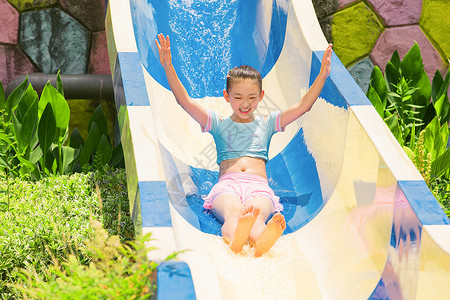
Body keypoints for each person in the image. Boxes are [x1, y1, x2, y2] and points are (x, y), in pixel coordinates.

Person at [156, 33, 332, 257]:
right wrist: (168, 65)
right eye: (238, 97)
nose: (245, 103)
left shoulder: (268, 124)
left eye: (251, 97)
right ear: (226, 96)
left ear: (261, 96)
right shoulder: (217, 124)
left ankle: (260, 240)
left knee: (256, 214)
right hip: (227, 186)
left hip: (258, 186)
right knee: (234, 212)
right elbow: (185, 101)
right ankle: (236, 238)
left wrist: (322, 76)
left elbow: (302, 107)